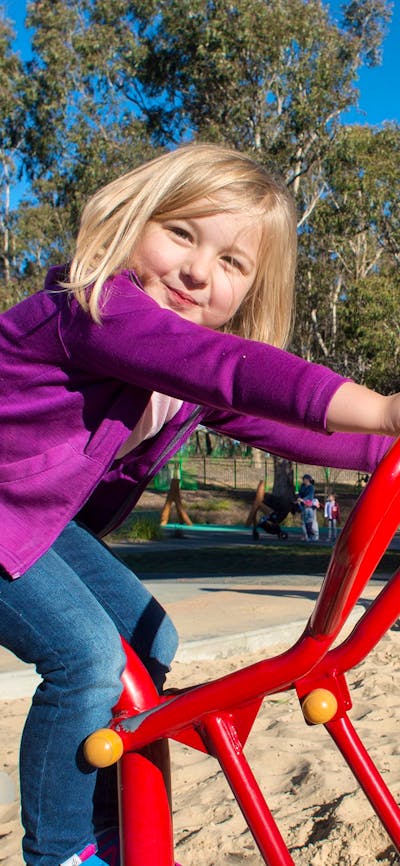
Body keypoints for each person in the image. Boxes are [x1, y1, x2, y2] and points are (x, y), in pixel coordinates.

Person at [1, 141, 400, 866]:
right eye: (181, 233)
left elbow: (299, 430)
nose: (196, 271)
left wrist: (389, 451)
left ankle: (117, 823)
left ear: (251, 290)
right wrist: (383, 408)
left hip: (40, 524)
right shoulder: (93, 310)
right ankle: (62, 851)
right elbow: (231, 370)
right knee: (86, 655)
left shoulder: (186, 380)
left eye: (231, 263)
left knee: (149, 640)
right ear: (131, 219)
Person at [297, 474, 315, 540]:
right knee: (303, 522)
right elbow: (300, 494)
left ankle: (310, 535)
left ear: (307, 480)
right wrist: (298, 498)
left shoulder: (311, 487)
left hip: (308, 506)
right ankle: (305, 536)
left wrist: (303, 500)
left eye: (304, 479)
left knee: (308, 522)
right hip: (302, 506)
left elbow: (310, 497)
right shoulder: (302, 486)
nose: (303, 480)